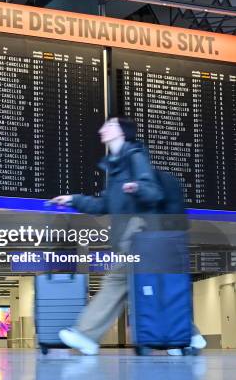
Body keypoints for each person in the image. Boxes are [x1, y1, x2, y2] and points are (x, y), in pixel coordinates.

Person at [50, 116, 206, 355]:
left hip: (143, 234)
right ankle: (187, 335)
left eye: (110, 125)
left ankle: (87, 334)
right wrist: (73, 200)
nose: (102, 129)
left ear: (122, 132)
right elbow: (105, 205)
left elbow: (152, 191)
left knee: (119, 282)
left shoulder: (134, 156)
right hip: (138, 238)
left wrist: (137, 188)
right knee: (143, 285)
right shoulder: (116, 167)